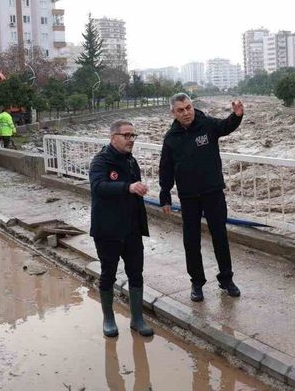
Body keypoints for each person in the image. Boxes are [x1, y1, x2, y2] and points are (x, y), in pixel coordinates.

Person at [159, 94, 244, 302]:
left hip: (213, 193)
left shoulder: (207, 125)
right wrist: (165, 195)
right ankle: (197, 283)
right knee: (191, 241)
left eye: (188, 108)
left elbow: (225, 126)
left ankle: (227, 279)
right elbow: (166, 168)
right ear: (173, 113)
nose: (186, 113)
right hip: (188, 197)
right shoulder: (171, 138)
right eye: (181, 110)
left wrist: (237, 116)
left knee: (220, 237)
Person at [89, 120, 153, 338]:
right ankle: (108, 318)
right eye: (126, 135)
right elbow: (99, 187)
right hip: (108, 230)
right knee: (108, 273)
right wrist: (128, 187)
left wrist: (139, 188)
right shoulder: (100, 161)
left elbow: (134, 190)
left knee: (136, 273)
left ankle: (137, 319)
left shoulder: (131, 161)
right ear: (113, 137)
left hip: (132, 228)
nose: (131, 140)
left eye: (133, 136)